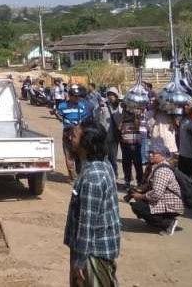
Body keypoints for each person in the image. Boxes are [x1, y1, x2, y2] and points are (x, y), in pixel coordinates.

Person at [63, 122, 120, 286]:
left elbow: (87, 224)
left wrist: (80, 260)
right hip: (95, 248)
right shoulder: (102, 164)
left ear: (86, 143)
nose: (69, 138)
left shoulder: (92, 178)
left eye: (74, 136)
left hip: (93, 251)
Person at [127, 144, 183, 236]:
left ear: (162, 155)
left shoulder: (162, 171)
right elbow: (151, 185)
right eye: (150, 153)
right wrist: (138, 190)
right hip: (165, 201)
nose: (150, 155)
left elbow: (156, 194)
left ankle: (168, 222)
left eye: (154, 153)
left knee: (138, 207)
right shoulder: (158, 166)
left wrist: (140, 196)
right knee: (139, 200)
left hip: (171, 205)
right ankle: (158, 220)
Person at [54, 84, 93, 180]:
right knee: (69, 155)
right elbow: (58, 114)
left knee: (80, 153)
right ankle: (73, 176)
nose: (76, 98)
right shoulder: (62, 105)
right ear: (70, 95)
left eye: (77, 96)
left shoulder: (81, 105)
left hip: (78, 131)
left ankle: (79, 174)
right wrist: (60, 118)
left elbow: (86, 116)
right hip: (68, 132)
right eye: (74, 96)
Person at [95, 87, 122, 177]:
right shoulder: (103, 106)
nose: (111, 97)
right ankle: (105, 175)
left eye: (113, 95)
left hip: (113, 137)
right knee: (102, 157)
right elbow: (96, 117)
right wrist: (99, 108)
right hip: (103, 136)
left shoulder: (119, 107)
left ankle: (114, 175)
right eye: (109, 95)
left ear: (116, 96)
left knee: (112, 158)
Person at [118, 106, 146, 188]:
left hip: (135, 142)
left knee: (137, 163)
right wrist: (123, 118)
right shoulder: (123, 115)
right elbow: (119, 127)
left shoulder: (138, 114)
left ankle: (139, 181)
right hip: (125, 142)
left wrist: (135, 117)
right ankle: (127, 180)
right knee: (126, 162)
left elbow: (138, 127)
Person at [177, 99, 192, 183]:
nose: (185, 107)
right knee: (182, 180)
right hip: (182, 155)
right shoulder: (183, 119)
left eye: (188, 105)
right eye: (185, 105)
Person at [146, 99, 178, 164]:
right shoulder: (149, 113)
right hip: (156, 143)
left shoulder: (170, 113)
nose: (154, 103)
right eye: (155, 102)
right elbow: (148, 127)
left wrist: (171, 114)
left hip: (169, 144)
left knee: (170, 164)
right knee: (157, 165)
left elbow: (176, 127)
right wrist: (156, 113)